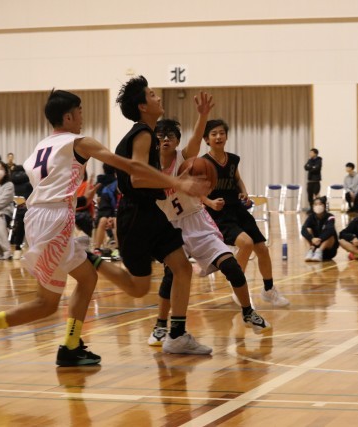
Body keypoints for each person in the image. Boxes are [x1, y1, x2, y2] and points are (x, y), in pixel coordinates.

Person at [0, 88, 209, 366]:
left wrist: (78, 200)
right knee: (46, 303)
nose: (81, 118)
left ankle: (69, 345)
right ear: (68, 116)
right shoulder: (80, 142)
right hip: (53, 224)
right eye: (79, 112)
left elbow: (47, 190)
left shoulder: (41, 146)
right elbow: (128, 166)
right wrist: (177, 182)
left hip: (40, 218)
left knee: (83, 281)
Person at [108, 76, 213, 355]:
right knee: (139, 288)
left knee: (182, 268)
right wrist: (178, 183)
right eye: (152, 95)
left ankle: (176, 335)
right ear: (143, 106)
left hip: (150, 211)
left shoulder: (148, 134)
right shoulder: (143, 133)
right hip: (135, 214)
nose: (157, 97)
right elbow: (138, 178)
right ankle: (91, 262)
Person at [148, 111, 271, 348]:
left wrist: (203, 116)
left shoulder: (184, 158)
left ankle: (248, 312)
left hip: (198, 221)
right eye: (161, 136)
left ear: (177, 140)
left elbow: (196, 139)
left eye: (171, 136)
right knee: (171, 276)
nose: (166, 139)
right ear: (154, 141)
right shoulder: (149, 169)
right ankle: (160, 325)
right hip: (172, 226)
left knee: (232, 267)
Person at [202, 119, 289, 307]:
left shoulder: (233, 159)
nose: (218, 136)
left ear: (226, 136)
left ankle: (268, 290)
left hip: (238, 209)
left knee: (262, 249)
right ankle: (237, 286)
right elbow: (195, 191)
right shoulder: (203, 163)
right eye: (214, 134)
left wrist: (244, 191)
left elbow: (237, 179)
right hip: (219, 215)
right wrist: (209, 202)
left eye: (222, 133)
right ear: (206, 139)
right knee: (246, 243)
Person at [301, 196, 339, 262]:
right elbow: (303, 229)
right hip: (315, 246)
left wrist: (320, 239)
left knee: (331, 234)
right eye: (315, 204)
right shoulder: (311, 217)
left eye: (320, 204)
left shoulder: (330, 216)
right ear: (313, 206)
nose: (318, 206)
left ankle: (319, 251)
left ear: (324, 206)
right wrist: (312, 239)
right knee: (308, 229)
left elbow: (330, 230)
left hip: (328, 250)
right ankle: (311, 250)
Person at [9, 164, 33, 259]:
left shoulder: (10, 183)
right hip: (25, 210)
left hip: (10, 209)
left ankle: (17, 248)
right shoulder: (29, 183)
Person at [304, 148, 322, 212]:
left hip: (316, 181)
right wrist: (312, 167)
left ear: (315, 153)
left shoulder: (319, 160)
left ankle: (317, 208)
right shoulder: (309, 160)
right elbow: (305, 167)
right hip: (310, 181)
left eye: (311, 152)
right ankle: (311, 208)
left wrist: (310, 167)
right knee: (309, 196)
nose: (310, 154)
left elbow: (317, 168)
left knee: (316, 196)